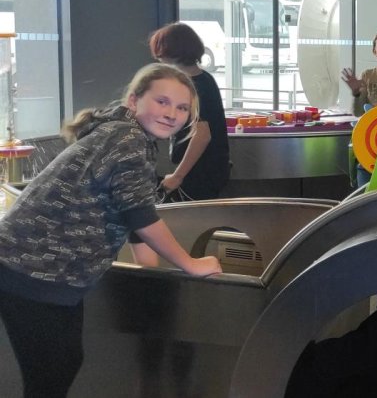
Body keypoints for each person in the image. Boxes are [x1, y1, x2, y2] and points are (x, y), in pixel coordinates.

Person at [0, 63, 223, 398]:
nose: (171, 114)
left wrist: (148, 266)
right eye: (162, 101)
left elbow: (127, 205)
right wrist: (190, 264)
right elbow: (140, 215)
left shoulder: (120, 132)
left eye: (182, 108)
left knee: (61, 365)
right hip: (34, 268)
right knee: (53, 372)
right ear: (134, 100)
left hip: (39, 267)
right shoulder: (127, 139)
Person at [149, 22, 230, 201]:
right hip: (207, 171)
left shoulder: (194, 86)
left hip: (200, 174)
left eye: (161, 52)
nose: (159, 58)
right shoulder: (203, 79)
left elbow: (202, 134)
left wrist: (177, 176)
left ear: (172, 51)